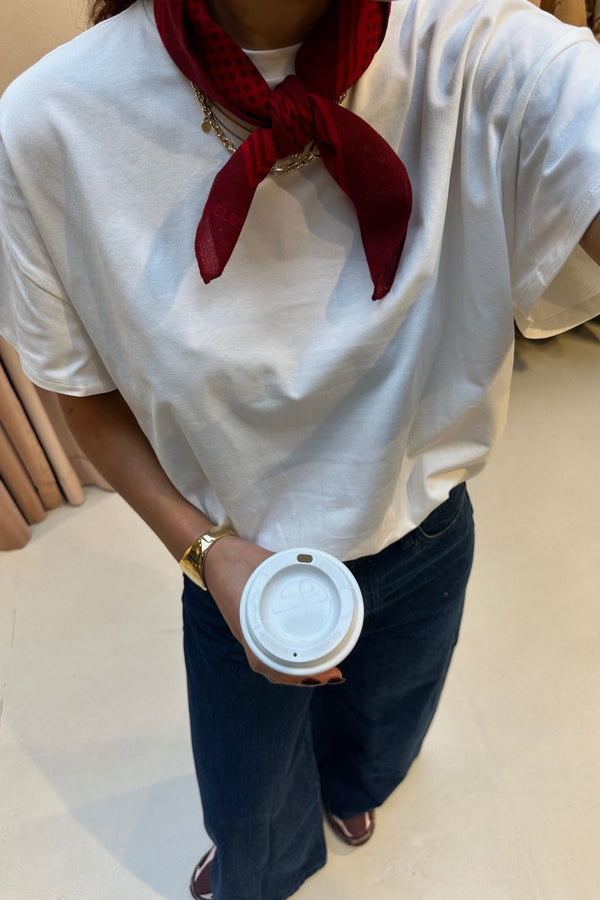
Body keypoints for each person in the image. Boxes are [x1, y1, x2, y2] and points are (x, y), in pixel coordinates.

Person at [0, 0, 599, 897]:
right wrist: (203, 550)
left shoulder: (489, 54)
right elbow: (77, 390)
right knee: (250, 804)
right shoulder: (49, 123)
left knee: (384, 732)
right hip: (234, 554)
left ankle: (352, 791)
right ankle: (263, 862)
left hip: (425, 527)